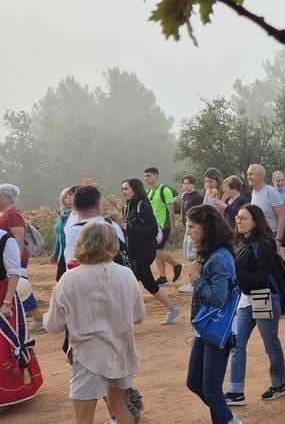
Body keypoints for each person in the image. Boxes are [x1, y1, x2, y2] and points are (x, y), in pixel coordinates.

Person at [44, 221, 144, 424]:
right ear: (112, 245)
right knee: (119, 407)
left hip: (87, 355)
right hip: (121, 351)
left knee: (83, 418)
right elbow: (138, 316)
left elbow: (53, 325)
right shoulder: (126, 275)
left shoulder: (69, 279)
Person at [184, 205, 242, 424]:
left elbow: (218, 298)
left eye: (192, 226)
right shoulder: (211, 254)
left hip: (217, 329)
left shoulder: (218, 257)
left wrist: (197, 279)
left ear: (206, 228)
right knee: (195, 383)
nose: (188, 231)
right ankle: (229, 420)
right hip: (206, 328)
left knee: (211, 389)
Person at [225, 204, 285, 405]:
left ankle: (279, 384)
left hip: (263, 296)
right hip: (246, 298)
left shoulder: (264, 244)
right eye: (237, 218)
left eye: (244, 218)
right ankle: (235, 391)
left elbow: (261, 278)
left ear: (255, 221)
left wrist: (234, 274)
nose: (239, 221)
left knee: (270, 343)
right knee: (237, 344)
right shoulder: (240, 242)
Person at [121, 178, 182, 325]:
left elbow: (152, 229)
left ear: (135, 189)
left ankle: (127, 316)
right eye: (122, 189)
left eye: (126, 188)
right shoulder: (129, 206)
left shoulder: (143, 206)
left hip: (145, 250)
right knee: (148, 283)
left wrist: (130, 227)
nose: (124, 192)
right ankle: (172, 309)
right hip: (134, 250)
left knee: (130, 281)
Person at [0, 225, 44, 408]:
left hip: (3, 296)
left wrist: (7, 303)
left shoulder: (4, 239)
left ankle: (10, 393)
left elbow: (14, 273)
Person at [0, 183, 45, 331]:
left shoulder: (13, 215)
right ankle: (38, 318)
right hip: (7, 258)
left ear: (7, 198)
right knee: (20, 288)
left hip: (14, 258)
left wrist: (16, 263)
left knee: (19, 288)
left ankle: (31, 319)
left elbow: (19, 239)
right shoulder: (6, 214)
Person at [143, 167, 182, 287]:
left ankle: (177, 265)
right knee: (157, 252)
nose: (146, 178)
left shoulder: (165, 190)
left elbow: (171, 210)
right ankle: (163, 277)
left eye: (148, 175)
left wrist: (173, 227)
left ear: (156, 176)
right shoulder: (148, 192)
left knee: (157, 251)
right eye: (145, 176)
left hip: (164, 225)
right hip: (154, 226)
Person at [247, 164, 285, 249]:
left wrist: (278, 239)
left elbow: (282, 216)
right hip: (258, 237)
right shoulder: (253, 192)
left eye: (251, 174)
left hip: (271, 237)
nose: (248, 177)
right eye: (248, 174)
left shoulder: (271, 192)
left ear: (261, 176)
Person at [177, 175, 204, 293]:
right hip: (187, 227)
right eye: (184, 183)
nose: (185, 186)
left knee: (194, 255)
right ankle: (193, 281)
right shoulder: (184, 196)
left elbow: (200, 214)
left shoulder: (197, 197)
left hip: (194, 228)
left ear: (193, 184)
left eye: (188, 183)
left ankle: (194, 282)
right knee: (188, 255)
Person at [53, 185, 78, 281]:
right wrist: (56, 253)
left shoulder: (77, 214)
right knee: (61, 279)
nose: (67, 198)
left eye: (70, 195)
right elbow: (59, 235)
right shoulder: (62, 214)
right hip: (63, 252)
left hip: (73, 253)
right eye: (64, 196)